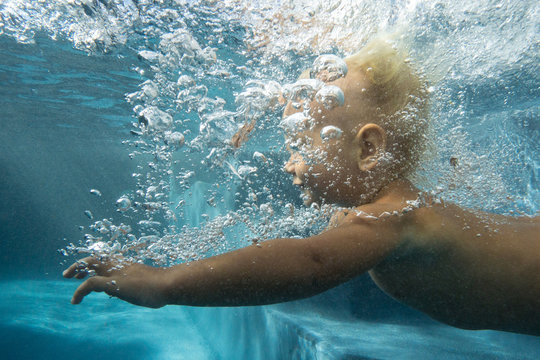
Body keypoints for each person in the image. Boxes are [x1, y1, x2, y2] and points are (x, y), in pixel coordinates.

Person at [63, 38, 540, 336]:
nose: (290, 160)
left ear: (368, 149)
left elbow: (307, 262)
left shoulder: (390, 218)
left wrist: (163, 282)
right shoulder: (394, 212)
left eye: (300, 142)